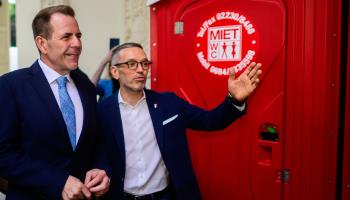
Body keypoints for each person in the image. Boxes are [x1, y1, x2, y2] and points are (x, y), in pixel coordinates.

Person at [97, 42, 262, 200]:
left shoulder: (169, 103)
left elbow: (210, 120)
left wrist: (235, 100)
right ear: (115, 72)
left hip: (167, 196)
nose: (141, 70)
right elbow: (97, 154)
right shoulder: (102, 111)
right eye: (132, 64)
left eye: (145, 63)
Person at [0, 5, 110, 200]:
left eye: (79, 35)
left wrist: (100, 168)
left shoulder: (86, 87)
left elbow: (97, 141)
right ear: (42, 44)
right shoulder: (10, 86)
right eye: (67, 37)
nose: (77, 43)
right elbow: (3, 154)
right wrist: (58, 181)